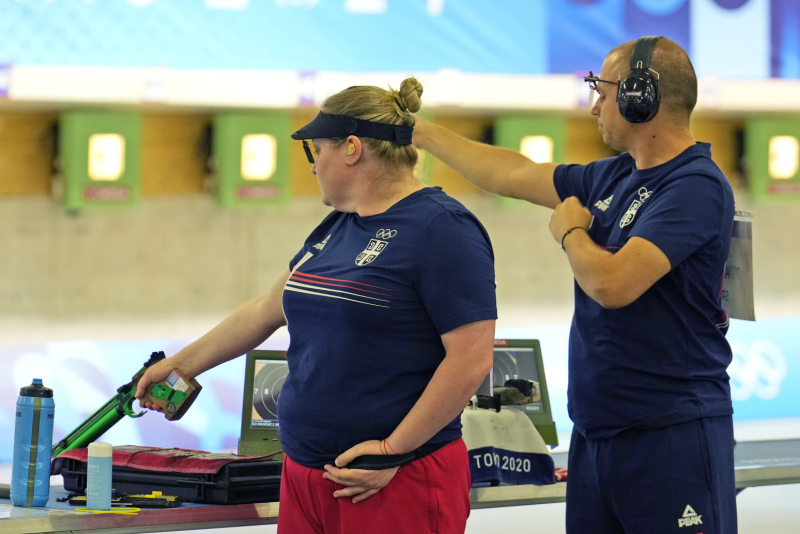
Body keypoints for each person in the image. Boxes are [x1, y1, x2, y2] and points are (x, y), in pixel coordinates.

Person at [134, 77, 497, 534]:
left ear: (351, 149)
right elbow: (266, 310)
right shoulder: (337, 225)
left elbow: (471, 358)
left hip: (390, 478)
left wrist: (393, 450)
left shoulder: (444, 228)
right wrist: (179, 365)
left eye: (317, 150)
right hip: (306, 473)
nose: (312, 166)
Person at [412, 37, 737, 534]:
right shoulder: (615, 176)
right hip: (598, 432)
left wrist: (571, 232)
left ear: (640, 96)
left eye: (602, 93)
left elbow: (612, 284)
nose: (594, 108)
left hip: (670, 433)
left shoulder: (695, 185)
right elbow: (511, 173)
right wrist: (421, 132)